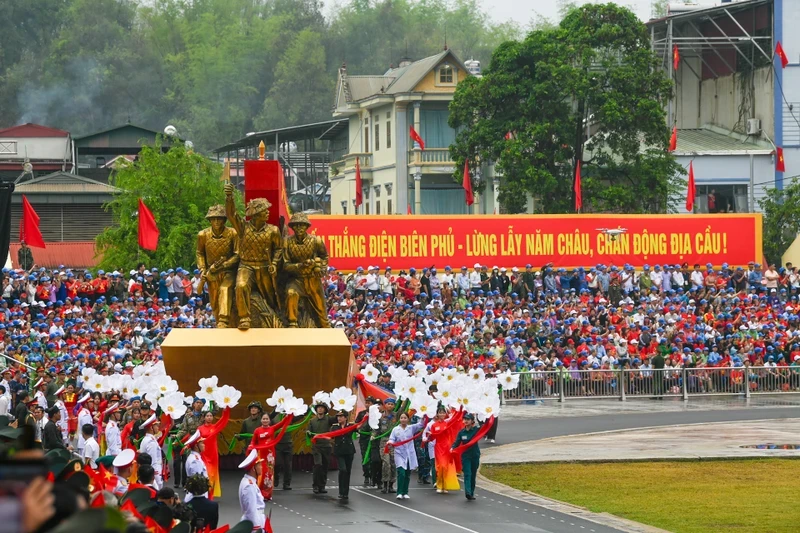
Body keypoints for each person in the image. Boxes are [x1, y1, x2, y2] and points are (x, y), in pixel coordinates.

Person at [387, 412, 426, 500]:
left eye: (405, 418)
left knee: (407, 473)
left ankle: (405, 492)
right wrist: (390, 443)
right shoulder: (395, 429)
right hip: (399, 453)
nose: (403, 419)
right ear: (399, 419)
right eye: (401, 418)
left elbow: (421, 424)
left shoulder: (411, 428)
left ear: (408, 419)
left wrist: (424, 416)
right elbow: (392, 439)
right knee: (401, 473)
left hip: (409, 454)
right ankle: (399, 492)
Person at [197, 405, 231, 498]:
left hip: (213, 454)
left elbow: (224, 420)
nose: (209, 417)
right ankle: (204, 493)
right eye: (207, 416)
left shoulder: (215, 427)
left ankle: (210, 494)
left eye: (211, 416)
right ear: (204, 417)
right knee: (205, 473)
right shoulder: (199, 429)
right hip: (203, 453)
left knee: (212, 475)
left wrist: (226, 409)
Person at [174, 397, 205, 488]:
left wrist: (213, 401)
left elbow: (215, 410)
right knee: (188, 461)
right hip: (190, 440)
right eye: (197, 402)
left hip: (201, 440)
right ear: (193, 404)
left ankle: (200, 482)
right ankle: (186, 483)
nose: (198, 404)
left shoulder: (205, 415)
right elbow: (183, 429)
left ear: (203, 405)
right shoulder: (188, 416)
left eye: (200, 403)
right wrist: (177, 437)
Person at [308, 402, 336, 494]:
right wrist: (308, 433)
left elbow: (338, 418)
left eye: (322, 408)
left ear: (325, 410)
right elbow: (309, 432)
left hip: (326, 446)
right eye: (318, 408)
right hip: (316, 447)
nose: (320, 409)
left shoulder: (328, 419)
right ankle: (315, 485)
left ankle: (322, 486)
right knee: (318, 465)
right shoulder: (312, 421)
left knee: (325, 466)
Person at [453, 413, 481, 501]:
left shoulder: (476, 430)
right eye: (464, 419)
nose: (465, 421)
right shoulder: (461, 432)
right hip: (466, 456)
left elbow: (485, 427)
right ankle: (468, 492)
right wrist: (452, 448)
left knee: (473, 475)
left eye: (468, 419)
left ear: (472, 421)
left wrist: (486, 415)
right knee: (467, 474)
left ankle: (471, 493)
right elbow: (456, 443)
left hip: (475, 455)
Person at [331, 410, 356, 501]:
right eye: (338, 416)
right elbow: (330, 436)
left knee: (347, 472)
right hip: (339, 451)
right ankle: (341, 491)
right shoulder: (334, 427)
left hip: (349, 451)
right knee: (342, 470)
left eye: (341, 416)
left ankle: (345, 493)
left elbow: (360, 428)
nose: (339, 418)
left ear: (345, 417)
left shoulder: (350, 426)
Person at [238, 449, 266, 529]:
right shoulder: (249, 486)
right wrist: (256, 528)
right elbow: (251, 509)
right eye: (259, 465)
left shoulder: (249, 482)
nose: (261, 467)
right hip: (254, 521)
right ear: (254, 468)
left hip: (256, 518)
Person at [375, 398, 396, 494]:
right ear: (385, 405)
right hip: (384, 442)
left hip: (394, 442)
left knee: (393, 463)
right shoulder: (380, 416)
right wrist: (373, 435)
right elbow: (376, 428)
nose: (390, 406)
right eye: (388, 404)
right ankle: (384, 484)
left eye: (392, 404)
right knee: (386, 463)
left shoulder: (396, 416)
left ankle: (391, 484)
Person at [355, 396, 375, 487]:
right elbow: (356, 425)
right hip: (364, 438)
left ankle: (374, 476)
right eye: (366, 403)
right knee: (365, 458)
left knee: (374, 458)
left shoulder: (377, 413)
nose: (367, 404)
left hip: (374, 438)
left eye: (369, 403)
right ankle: (366, 476)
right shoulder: (361, 414)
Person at [139, 414, 164, 490]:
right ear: (151, 428)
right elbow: (152, 461)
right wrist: (157, 479)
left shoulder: (147, 439)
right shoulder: (151, 442)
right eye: (156, 425)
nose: (158, 427)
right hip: (153, 474)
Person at [183, 430, 208, 502]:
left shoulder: (195, 457)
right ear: (196, 446)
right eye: (202, 443)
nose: (204, 444)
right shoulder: (195, 461)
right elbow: (197, 481)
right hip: (196, 496)